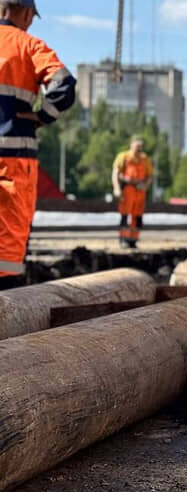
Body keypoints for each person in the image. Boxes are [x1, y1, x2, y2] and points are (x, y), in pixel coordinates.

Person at [0, 0, 76, 289]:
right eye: (32, 17)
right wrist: (42, 116)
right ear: (25, 12)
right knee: (7, 244)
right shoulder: (29, 45)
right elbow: (64, 86)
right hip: (12, 161)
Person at [112, 137, 154, 248]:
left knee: (137, 217)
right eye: (136, 147)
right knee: (125, 215)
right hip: (128, 190)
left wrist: (145, 186)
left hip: (140, 192)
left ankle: (133, 240)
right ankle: (123, 239)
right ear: (131, 145)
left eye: (140, 147)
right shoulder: (123, 156)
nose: (138, 150)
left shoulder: (144, 159)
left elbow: (150, 176)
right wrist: (117, 188)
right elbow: (116, 173)